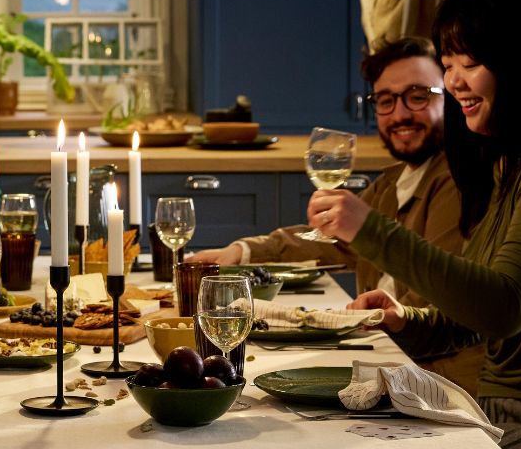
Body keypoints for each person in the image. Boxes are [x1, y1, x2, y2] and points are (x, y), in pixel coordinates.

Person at [308, 0, 521, 449]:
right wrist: (407, 320)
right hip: (493, 407)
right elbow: (473, 315)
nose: (456, 83)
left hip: (511, 417)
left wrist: (371, 230)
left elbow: (503, 309)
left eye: (470, 64)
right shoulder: (503, 167)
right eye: (449, 67)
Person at [190, 37, 483, 392]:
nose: (401, 113)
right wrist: (242, 253)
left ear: (451, 96)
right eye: (386, 101)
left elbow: (438, 302)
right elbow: (333, 241)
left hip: (433, 381)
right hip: (388, 362)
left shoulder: (460, 182)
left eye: (418, 96)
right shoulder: (395, 182)